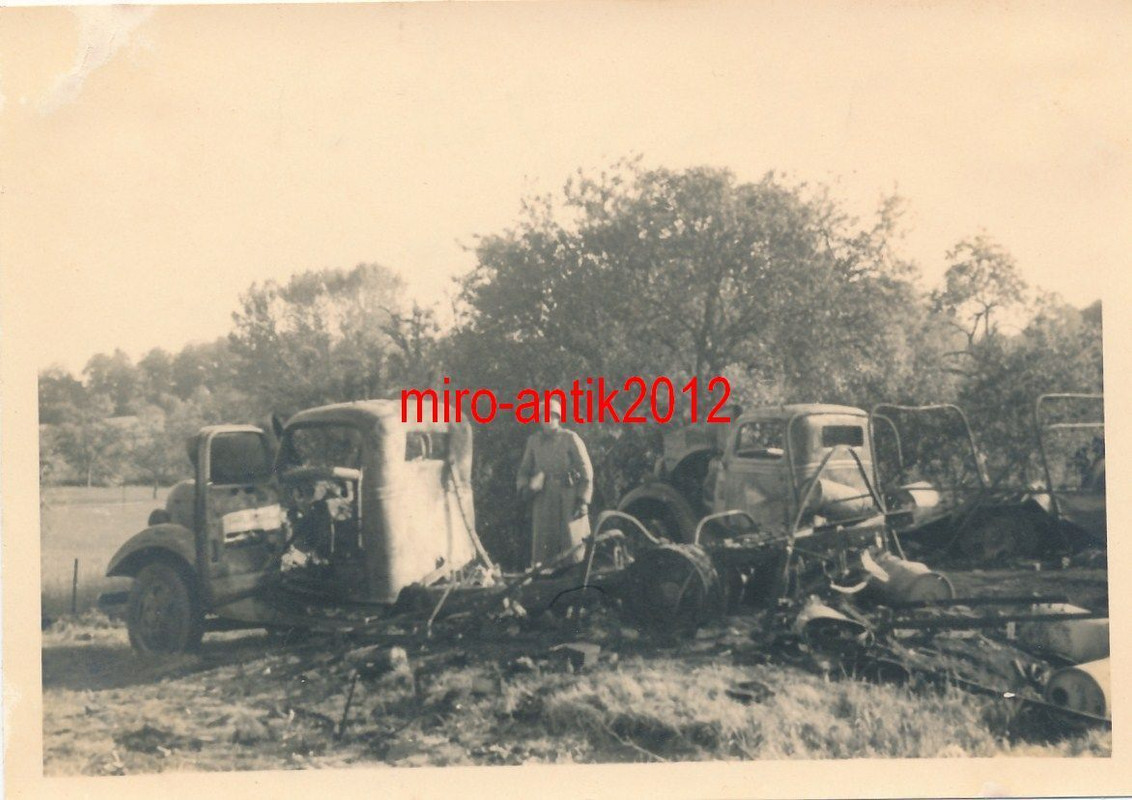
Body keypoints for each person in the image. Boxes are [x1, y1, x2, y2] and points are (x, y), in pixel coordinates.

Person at [515, 398, 593, 567]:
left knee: (572, 543)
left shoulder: (570, 438)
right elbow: (524, 470)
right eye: (543, 416)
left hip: (568, 497)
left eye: (551, 416)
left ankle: (576, 573)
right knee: (545, 546)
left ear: (558, 418)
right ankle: (545, 578)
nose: (547, 420)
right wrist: (525, 487)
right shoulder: (534, 441)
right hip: (543, 498)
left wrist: (583, 499)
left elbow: (586, 470)